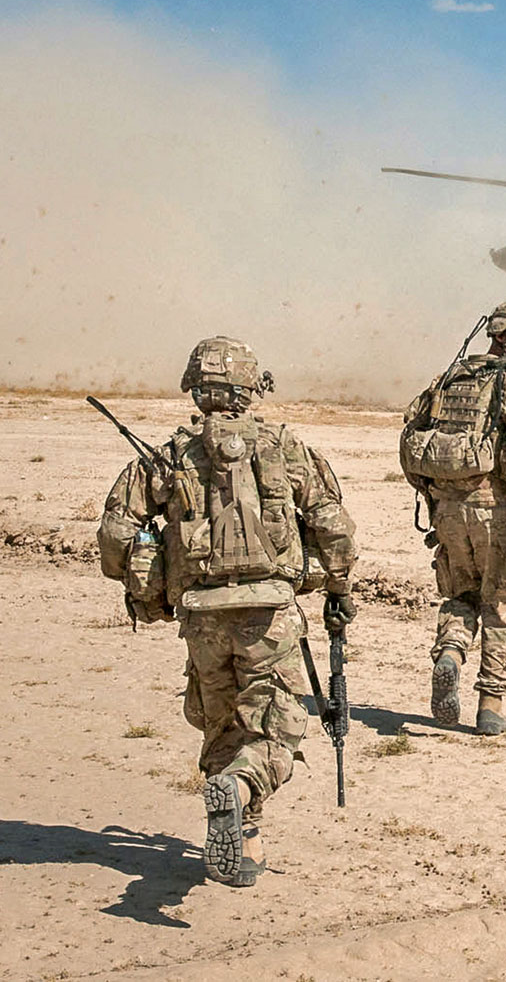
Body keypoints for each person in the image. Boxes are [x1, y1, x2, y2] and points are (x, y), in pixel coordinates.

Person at [97, 336, 358, 887]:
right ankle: (239, 790)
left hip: (200, 615)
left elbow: (117, 533)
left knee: (223, 723)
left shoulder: (167, 456)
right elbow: (333, 525)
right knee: (276, 730)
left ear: (198, 387)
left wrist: (144, 588)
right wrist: (337, 587)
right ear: (250, 387)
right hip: (269, 615)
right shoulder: (287, 449)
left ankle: (245, 841)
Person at [400, 303, 506, 735]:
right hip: (494, 510)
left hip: (447, 510)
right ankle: (490, 704)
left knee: (460, 596)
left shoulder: (447, 380)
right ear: (503, 337)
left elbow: (411, 438)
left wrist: (432, 494)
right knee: (501, 603)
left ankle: (450, 654)